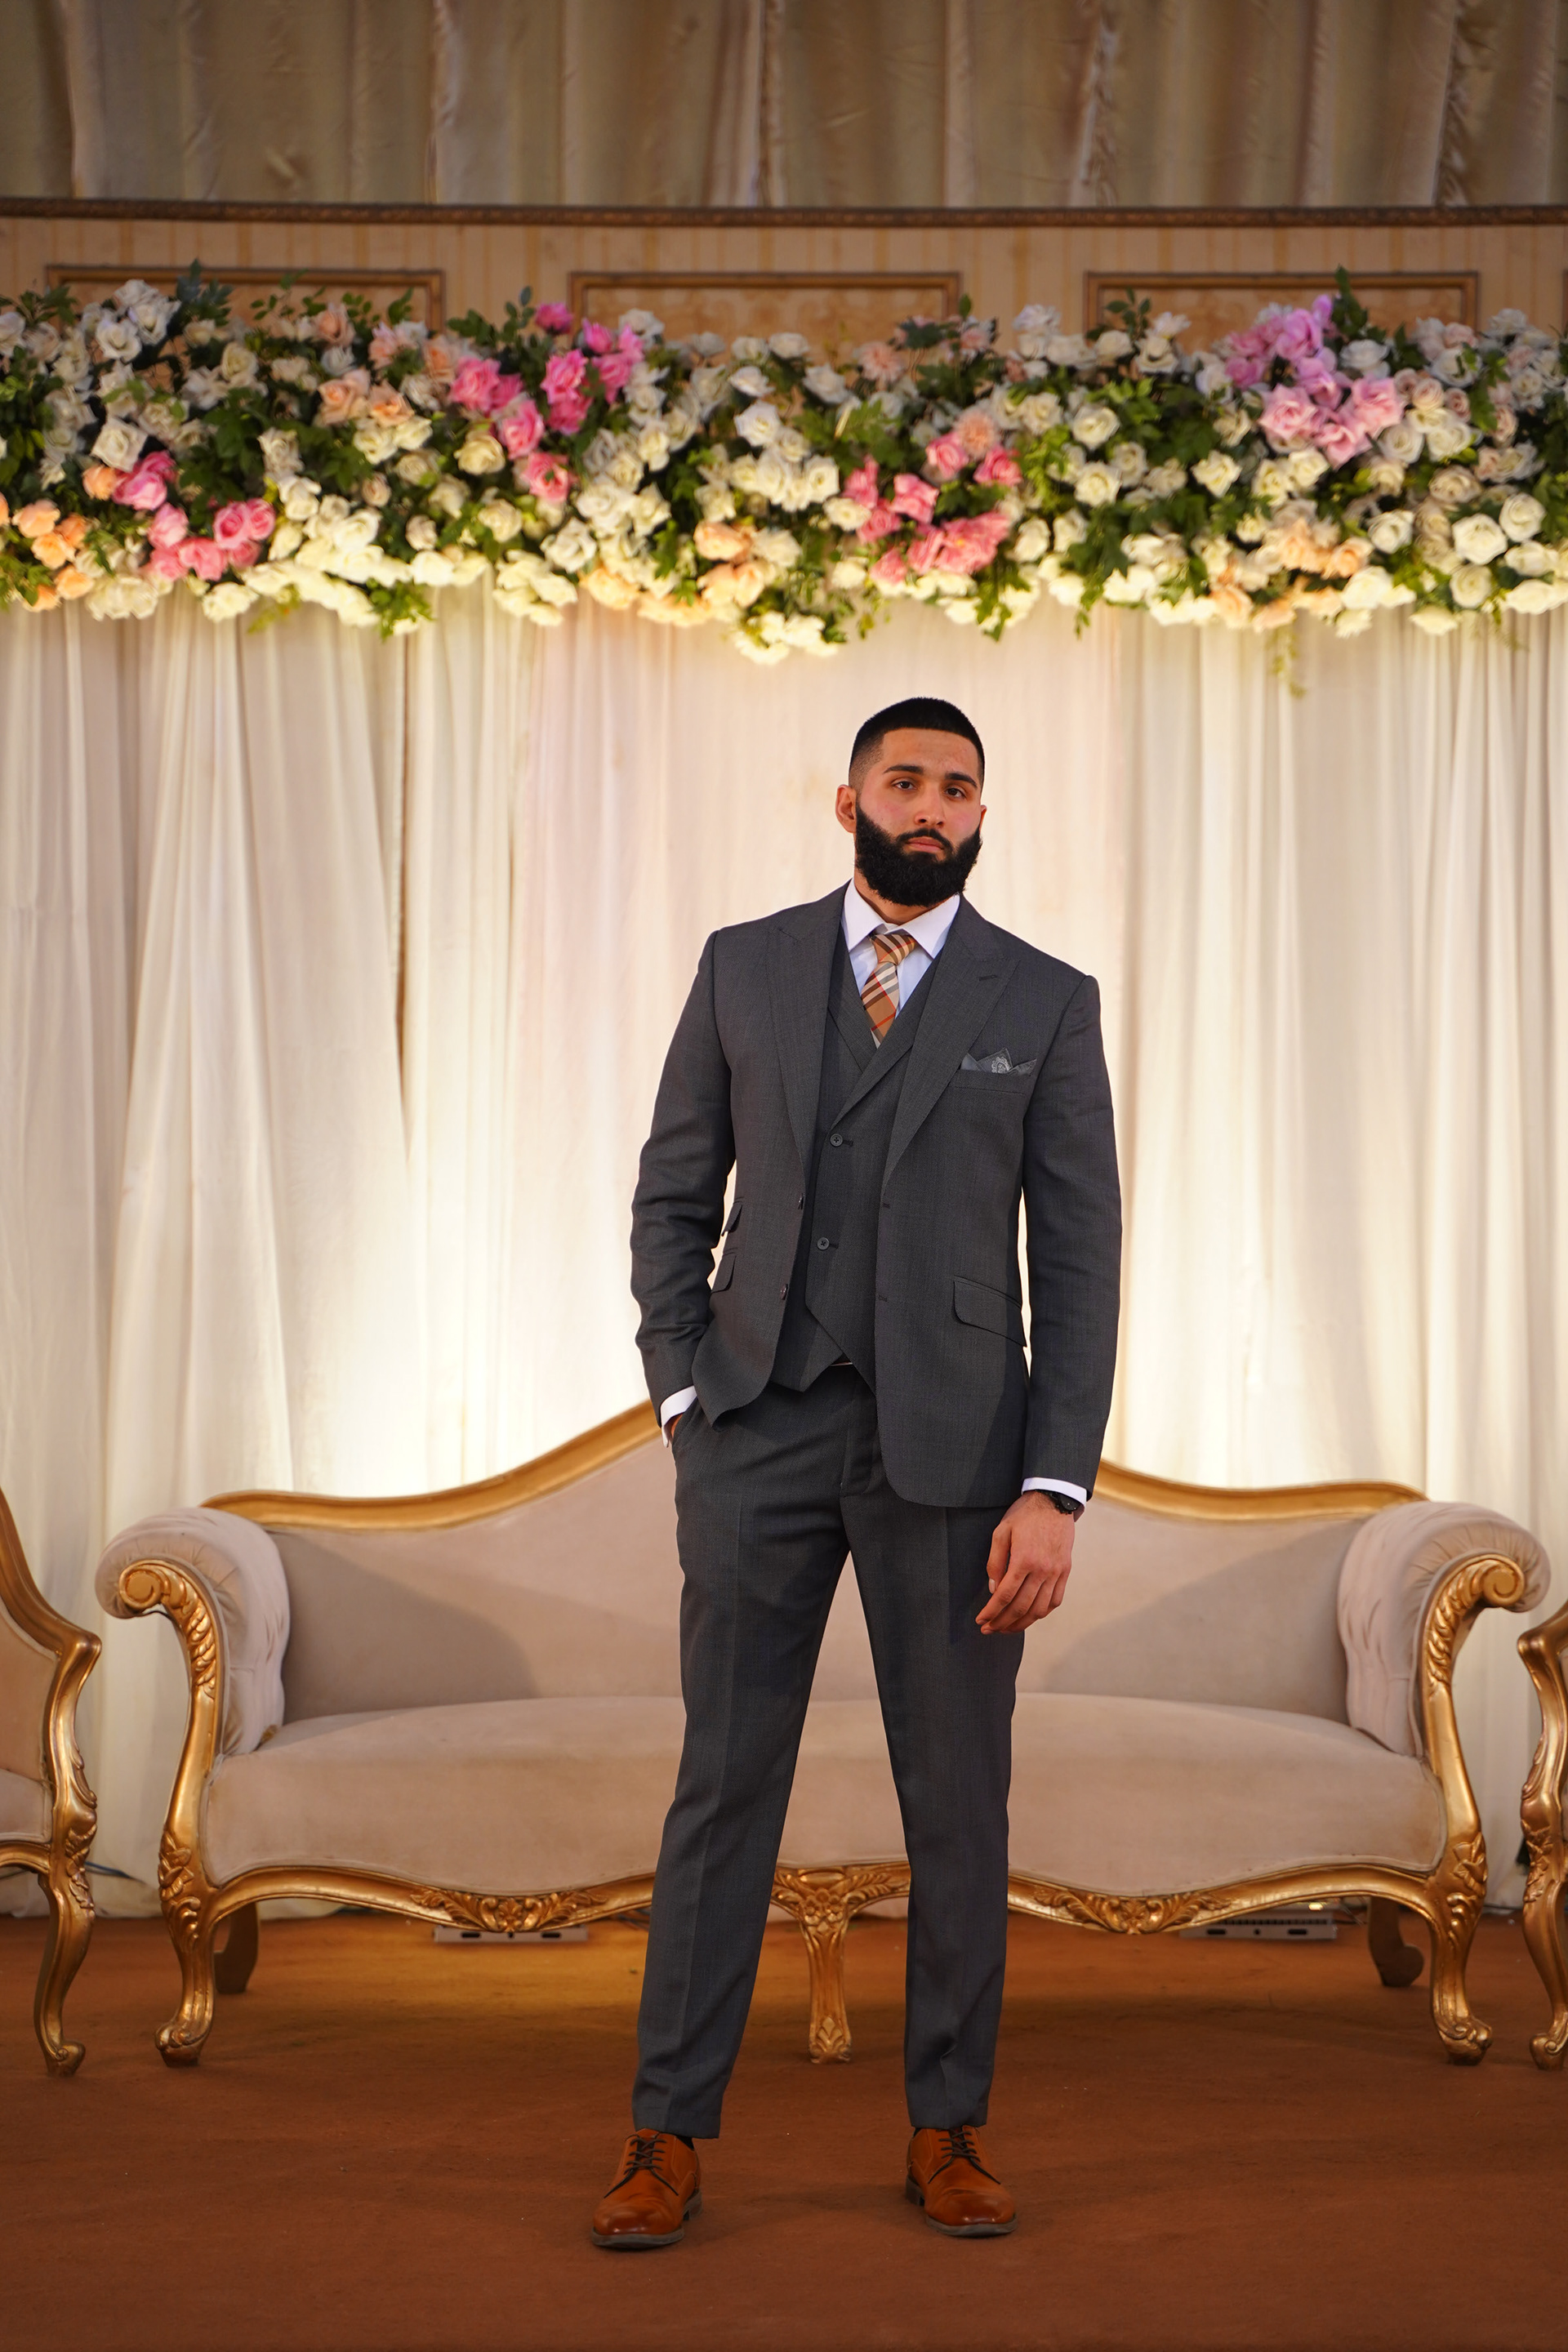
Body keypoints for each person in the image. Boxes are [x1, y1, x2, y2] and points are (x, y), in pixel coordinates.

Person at [593, 694, 1121, 2247]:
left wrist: (1058, 1485)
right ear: (848, 800)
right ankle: (665, 2132)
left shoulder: (1045, 997)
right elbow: (672, 1194)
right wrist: (687, 1400)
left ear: (980, 811)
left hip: (961, 1460)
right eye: (908, 779)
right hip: (756, 1429)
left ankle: (948, 2127)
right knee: (722, 1792)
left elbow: (1079, 1264)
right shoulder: (744, 966)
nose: (936, 805)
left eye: (961, 787)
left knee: (958, 1801)